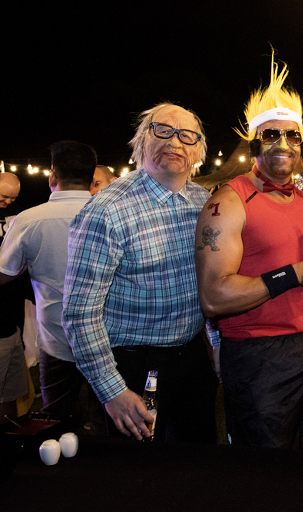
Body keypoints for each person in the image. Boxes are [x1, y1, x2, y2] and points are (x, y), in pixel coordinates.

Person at [195, 55, 303, 451]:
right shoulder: (228, 202)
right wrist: (293, 273)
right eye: (271, 135)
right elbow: (214, 297)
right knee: (267, 466)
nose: (283, 144)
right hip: (258, 352)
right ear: (254, 143)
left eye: (293, 135)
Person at [63, 103, 219, 443]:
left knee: (200, 472)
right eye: (162, 130)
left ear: (198, 150)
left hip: (192, 359)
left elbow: (212, 284)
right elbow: (79, 313)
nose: (174, 142)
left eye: (186, 135)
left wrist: (216, 349)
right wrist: (111, 390)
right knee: (135, 481)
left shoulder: (203, 201)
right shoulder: (106, 210)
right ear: (141, 141)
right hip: (134, 365)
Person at [0, 141, 96, 417]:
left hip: (56, 338)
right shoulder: (112, 215)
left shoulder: (29, 220)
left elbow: (3, 275)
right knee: (111, 427)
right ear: (90, 178)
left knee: (55, 421)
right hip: (110, 337)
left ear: (53, 176)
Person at [0, 172, 28, 422]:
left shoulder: (20, 214)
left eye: (12, 198)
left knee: (12, 391)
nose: (7, 203)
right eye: (2, 197)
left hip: (12, 320)